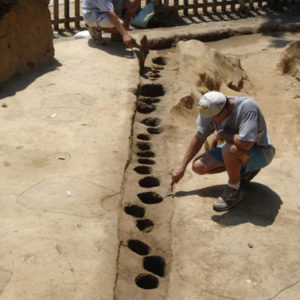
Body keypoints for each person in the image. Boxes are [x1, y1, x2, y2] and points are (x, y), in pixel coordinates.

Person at [171, 91, 276, 211]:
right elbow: (199, 138)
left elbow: (246, 144)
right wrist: (182, 166)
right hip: (236, 149)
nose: (210, 122)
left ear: (224, 111)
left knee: (229, 150)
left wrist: (225, 135)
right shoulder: (213, 110)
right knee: (198, 166)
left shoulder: (247, 107)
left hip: (261, 152)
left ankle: (234, 190)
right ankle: (243, 172)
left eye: (212, 119)